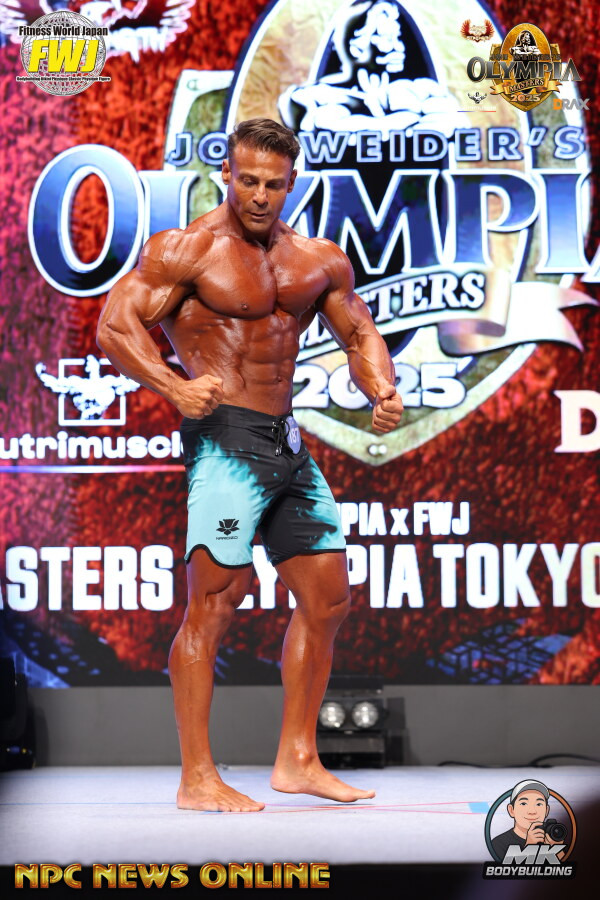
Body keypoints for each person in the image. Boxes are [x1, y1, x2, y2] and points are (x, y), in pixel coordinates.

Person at [96, 117, 403, 812]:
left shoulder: (317, 258)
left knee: (328, 599)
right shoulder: (188, 250)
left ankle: (297, 759)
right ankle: (196, 777)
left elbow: (358, 330)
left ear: (293, 183)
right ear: (227, 175)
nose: (260, 195)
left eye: (274, 184)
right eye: (248, 180)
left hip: (286, 443)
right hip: (224, 440)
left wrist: (381, 389)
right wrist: (174, 386)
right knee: (215, 603)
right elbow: (115, 325)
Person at [491, 780, 566, 861]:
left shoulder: (554, 838)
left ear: (547, 811)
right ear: (511, 810)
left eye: (539, 804)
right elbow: (507, 868)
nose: (532, 811)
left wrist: (557, 850)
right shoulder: (498, 843)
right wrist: (529, 847)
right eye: (524, 803)